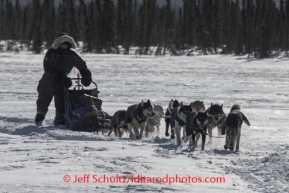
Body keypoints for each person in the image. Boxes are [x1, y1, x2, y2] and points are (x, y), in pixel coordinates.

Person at [35, 33, 92, 126]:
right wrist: (61, 77)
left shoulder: (72, 55)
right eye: (62, 43)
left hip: (61, 84)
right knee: (43, 102)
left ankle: (59, 121)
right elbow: (48, 68)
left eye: (66, 44)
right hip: (47, 82)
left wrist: (86, 76)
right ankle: (39, 119)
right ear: (58, 43)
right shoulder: (51, 53)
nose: (64, 45)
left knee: (61, 104)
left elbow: (82, 66)